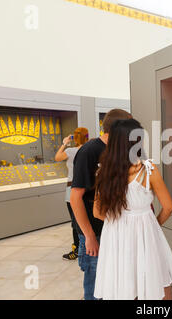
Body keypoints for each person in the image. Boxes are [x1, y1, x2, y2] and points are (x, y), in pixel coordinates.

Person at [93, 119, 172, 300]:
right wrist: (152, 224)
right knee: (158, 281)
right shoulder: (148, 170)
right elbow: (168, 207)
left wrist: (119, 222)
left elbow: (97, 212)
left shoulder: (103, 172)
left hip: (115, 236)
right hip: (145, 234)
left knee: (125, 283)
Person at [70, 109, 133, 300]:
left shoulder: (119, 152)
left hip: (112, 229)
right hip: (94, 231)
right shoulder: (88, 151)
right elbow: (76, 197)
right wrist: (89, 236)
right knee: (95, 286)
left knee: (111, 285)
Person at [55, 127, 89, 260]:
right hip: (87, 189)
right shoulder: (88, 150)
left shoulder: (70, 151)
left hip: (72, 190)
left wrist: (64, 143)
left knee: (76, 222)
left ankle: (77, 249)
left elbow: (57, 157)